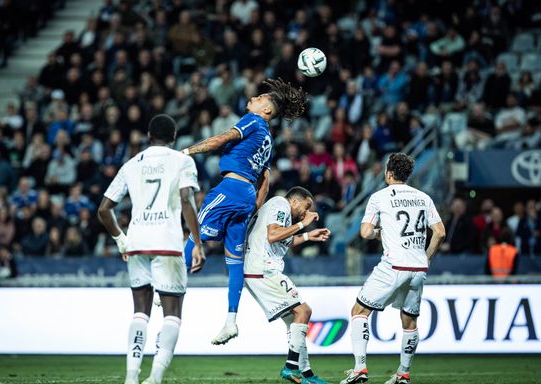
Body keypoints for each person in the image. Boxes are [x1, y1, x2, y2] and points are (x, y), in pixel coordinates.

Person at [181, 78, 307, 345]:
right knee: (234, 261)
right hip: (247, 197)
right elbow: (266, 180)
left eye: (261, 97)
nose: (255, 98)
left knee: (194, 234)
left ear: (267, 111)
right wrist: (254, 209)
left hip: (231, 187)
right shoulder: (269, 141)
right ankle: (230, 321)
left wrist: (187, 151)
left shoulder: (253, 121)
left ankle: (167, 288)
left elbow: (222, 138)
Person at [97, 114, 204, 384]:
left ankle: (131, 377)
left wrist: (121, 239)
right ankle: (154, 378)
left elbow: (103, 209)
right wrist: (197, 242)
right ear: (174, 137)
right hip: (166, 242)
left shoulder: (131, 165)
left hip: (136, 242)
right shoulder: (183, 160)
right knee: (172, 312)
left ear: (148, 136)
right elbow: (186, 200)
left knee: (140, 312)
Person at [340, 153, 446, 384]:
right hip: (418, 268)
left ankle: (359, 368)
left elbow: (366, 233)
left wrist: (380, 232)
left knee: (359, 312)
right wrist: (426, 258)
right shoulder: (423, 197)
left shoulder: (379, 197)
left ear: (388, 173)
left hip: (393, 265)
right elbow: (439, 232)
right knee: (409, 321)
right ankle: (403, 373)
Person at [244, 187, 330, 383]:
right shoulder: (280, 204)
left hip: (258, 270)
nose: (306, 212)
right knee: (304, 312)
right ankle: (290, 367)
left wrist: (309, 236)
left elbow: (281, 241)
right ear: (294, 201)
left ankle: (307, 374)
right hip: (263, 270)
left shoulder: (279, 212)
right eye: (306, 207)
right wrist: (302, 224)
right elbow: (273, 235)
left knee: (296, 323)